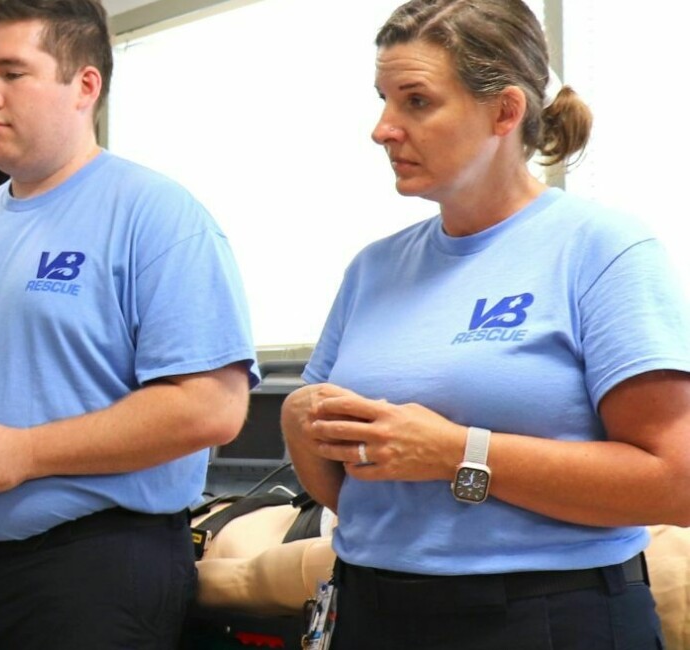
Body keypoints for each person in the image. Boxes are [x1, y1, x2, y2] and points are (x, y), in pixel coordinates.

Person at [281, 1, 690, 647]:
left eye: (416, 101)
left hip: (546, 614)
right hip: (370, 604)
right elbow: (351, 487)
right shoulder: (373, 268)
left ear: (505, 111)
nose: (383, 129)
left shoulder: (601, 248)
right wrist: (301, 423)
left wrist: (457, 454)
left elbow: (677, 484)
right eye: (383, 99)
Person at [0, 0, 256, 647]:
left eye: (13, 73)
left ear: (84, 86)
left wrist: (25, 453)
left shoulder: (156, 215)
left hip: (90, 568)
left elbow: (211, 410)